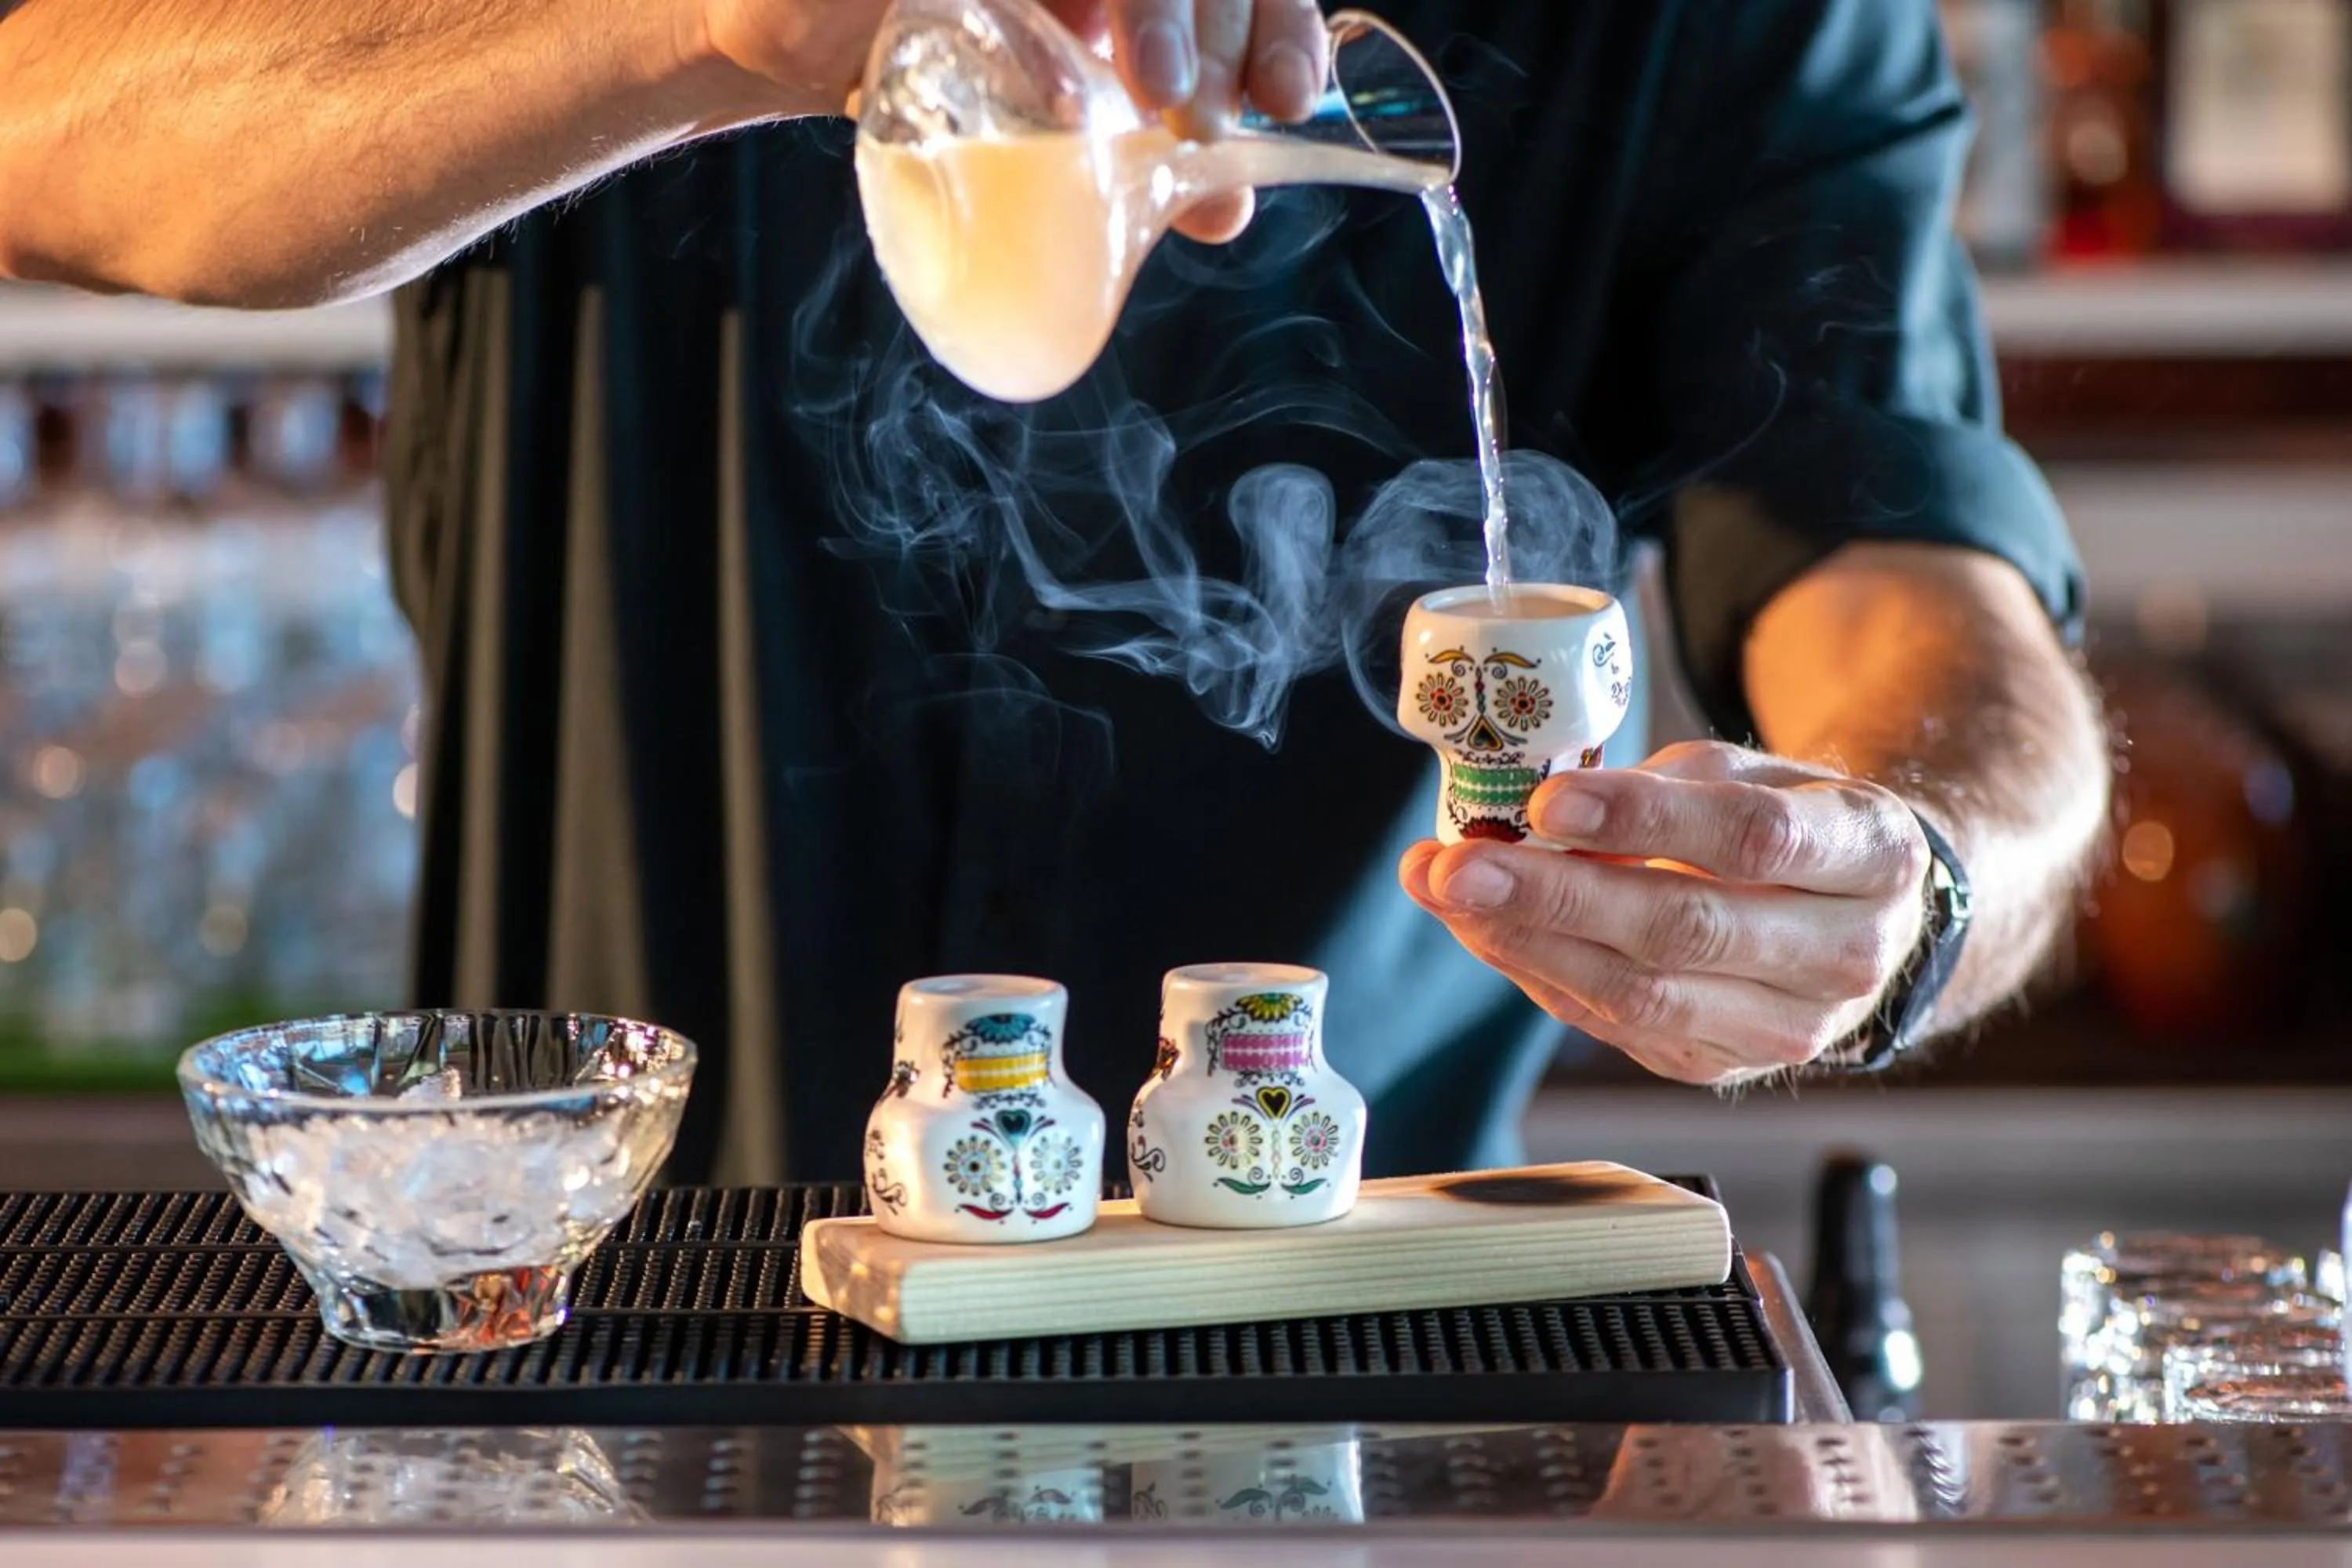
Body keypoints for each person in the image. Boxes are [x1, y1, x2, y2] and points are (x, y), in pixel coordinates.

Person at [0, 0, 2107, 1185]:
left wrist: (1899, 883)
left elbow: (1904, 570)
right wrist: (707, 32)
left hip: (1332, 1346)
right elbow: (45, 122)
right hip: (613, 1315)